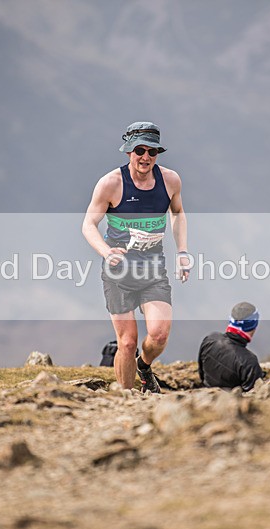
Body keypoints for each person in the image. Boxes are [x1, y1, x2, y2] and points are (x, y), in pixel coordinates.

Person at [82, 122, 189, 392]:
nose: (146, 157)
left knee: (159, 335)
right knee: (127, 342)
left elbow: (177, 214)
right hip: (118, 272)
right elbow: (88, 225)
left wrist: (182, 252)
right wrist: (106, 252)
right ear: (129, 151)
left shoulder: (170, 180)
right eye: (139, 150)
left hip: (153, 270)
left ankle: (144, 365)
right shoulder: (111, 184)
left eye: (152, 152)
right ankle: (128, 398)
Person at [198, 302, 265, 392]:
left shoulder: (210, 339)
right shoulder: (249, 361)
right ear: (254, 325)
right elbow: (252, 396)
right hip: (230, 403)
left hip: (205, 396)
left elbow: (201, 372)